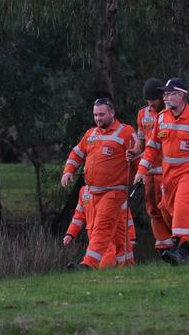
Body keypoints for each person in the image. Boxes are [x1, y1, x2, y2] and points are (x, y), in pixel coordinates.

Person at [133, 78, 189, 265]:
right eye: (165, 94)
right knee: (166, 208)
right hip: (168, 174)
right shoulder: (161, 118)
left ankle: (181, 247)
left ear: (182, 95)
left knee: (181, 204)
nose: (166, 97)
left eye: (170, 94)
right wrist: (141, 170)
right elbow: (152, 147)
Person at [61, 98, 137, 270]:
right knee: (118, 232)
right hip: (94, 193)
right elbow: (77, 153)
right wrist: (68, 171)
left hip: (114, 191)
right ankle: (128, 266)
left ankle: (88, 264)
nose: (98, 118)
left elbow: (138, 156)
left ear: (112, 113)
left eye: (101, 114)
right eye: (95, 114)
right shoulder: (91, 134)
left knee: (101, 227)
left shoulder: (125, 132)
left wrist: (142, 175)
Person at [126, 78, 173, 256]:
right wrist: (135, 151)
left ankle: (181, 242)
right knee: (152, 209)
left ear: (162, 96)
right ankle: (164, 247)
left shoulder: (171, 113)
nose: (150, 104)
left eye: (153, 99)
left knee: (167, 207)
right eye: (147, 100)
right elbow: (142, 140)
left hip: (167, 170)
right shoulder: (142, 114)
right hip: (148, 171)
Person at [63, 185, 136, 268]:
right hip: (93, 234)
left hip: (109, 231)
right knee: (97, 255)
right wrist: (70, 234)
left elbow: (126, 216)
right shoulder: (84, 192)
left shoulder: (113, 191)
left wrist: (131, 237)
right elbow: (78, 216)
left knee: (108, 254)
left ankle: (95, 270)